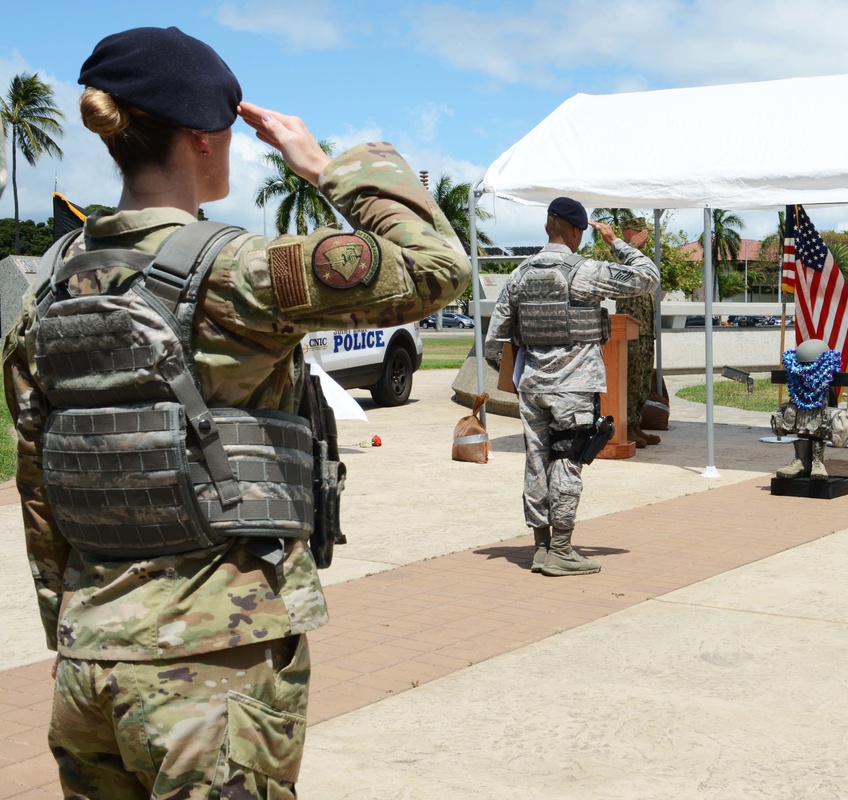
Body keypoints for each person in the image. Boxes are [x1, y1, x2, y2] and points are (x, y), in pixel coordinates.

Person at [1, 26, 469, 800]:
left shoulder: (52, 288)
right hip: (214, 670)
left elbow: (39, 483)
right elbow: (436, 268)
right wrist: (332, 168)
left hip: (89, 668)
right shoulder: (241, 272)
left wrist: (71, 629)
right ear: (204, 140)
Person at [484, 197, 659, 577]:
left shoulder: (520, 275)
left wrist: (523, 374)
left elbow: (492, 342)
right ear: (577, 231)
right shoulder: (585, 272)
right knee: (568, 460)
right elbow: (648, 278)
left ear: (548, 226)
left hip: (531, 387)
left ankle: (542, 547)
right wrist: (616, 242)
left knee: (536, 461)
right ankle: (561, 550)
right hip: (574, 388)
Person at [771, 339, 848, 480]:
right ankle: (801, 461)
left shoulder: (826, 374)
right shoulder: (796, 374)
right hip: (800, 403)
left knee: (820, 423)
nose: (806, 368)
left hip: (820, 404)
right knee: (799, 422)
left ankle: (817, 462)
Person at [614, 218, 660, 447]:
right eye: (643, 232)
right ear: (631, 233)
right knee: (630, 383)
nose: (647, 237)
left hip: (645, 333)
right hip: (630, 334)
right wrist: (629, 247)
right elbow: (617, 279)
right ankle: (625, 428)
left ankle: (635, 425)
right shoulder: (621, 257)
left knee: (642, 383)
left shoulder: (643, 261)